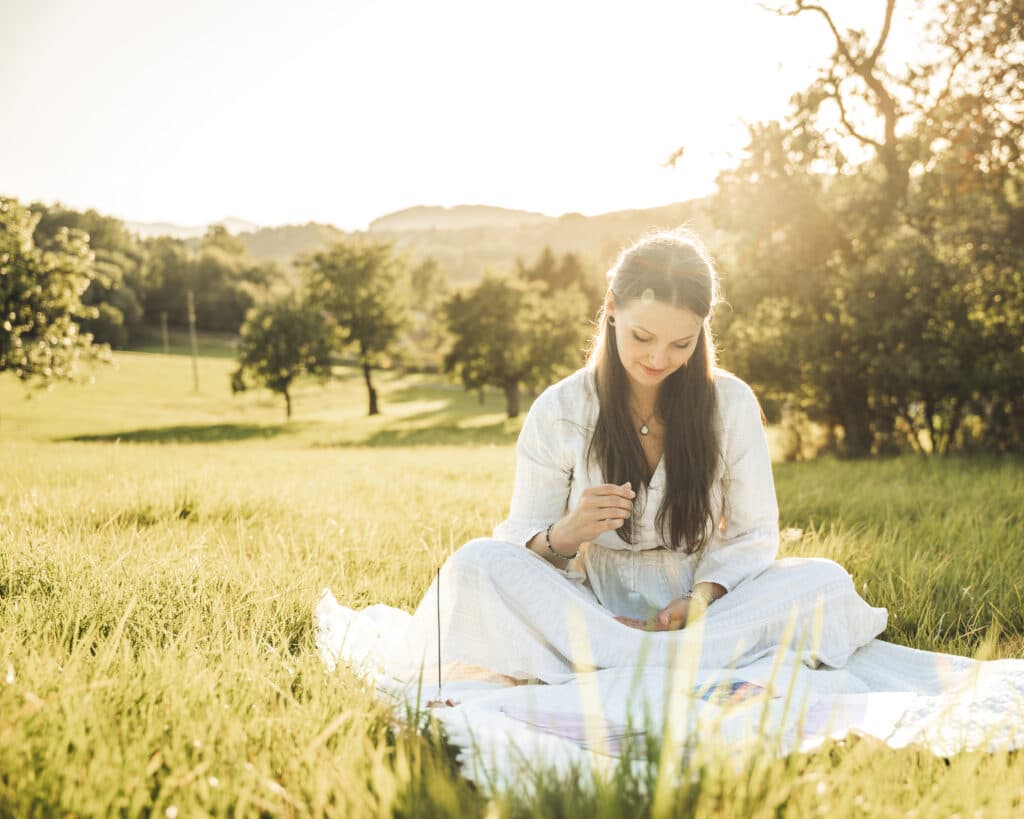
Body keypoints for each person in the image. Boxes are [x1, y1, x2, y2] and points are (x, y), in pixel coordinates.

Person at [373, 230, 888, 685]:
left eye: (682, 343)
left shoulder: (729, 403)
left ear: (702, 332)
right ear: (612, 308)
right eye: (643, 337)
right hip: (586, 607)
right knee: (476, 563)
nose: (659, 359)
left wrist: (700, 600)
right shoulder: (560, 408)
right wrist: (567, 532)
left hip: (704, 610)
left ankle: (621, 659)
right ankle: (650, 656)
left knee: (825, 582)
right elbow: (519, 537)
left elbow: (753, 533)